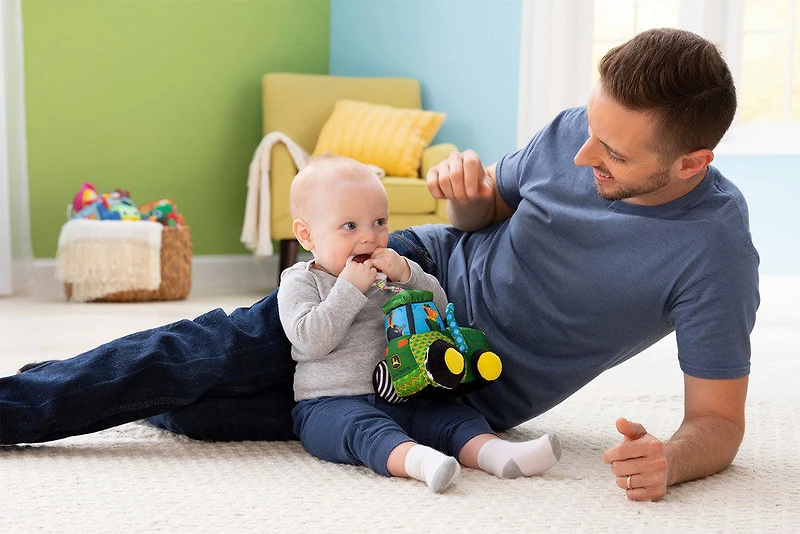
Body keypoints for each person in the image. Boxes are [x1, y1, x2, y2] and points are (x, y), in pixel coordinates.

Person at [0, 28, 758, 502]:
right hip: (392, 276)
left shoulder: (714, 251)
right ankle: (18, 400)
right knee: (195, 354)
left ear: (693, 161)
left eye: (614, 154)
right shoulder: (575, 131)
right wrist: (466, 198)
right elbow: (486, 215)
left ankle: (66, 384)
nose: (583, 152)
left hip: (449, 381)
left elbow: (717, 422)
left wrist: (671, 462)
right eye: (590, 130)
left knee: (195, 410)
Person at [277, 154, 560, 492]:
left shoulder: (390, 273)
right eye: (350, 226)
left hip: (408, 393)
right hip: (332, 403)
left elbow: (439, 309)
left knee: (452, 416)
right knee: (362, 430)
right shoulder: (301, 281)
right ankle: (418, 461)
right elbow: (310, 339)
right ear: (307, 236)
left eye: (379, 222)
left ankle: (497, 454)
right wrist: (350, 289)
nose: (370, 237)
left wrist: (409, 274)